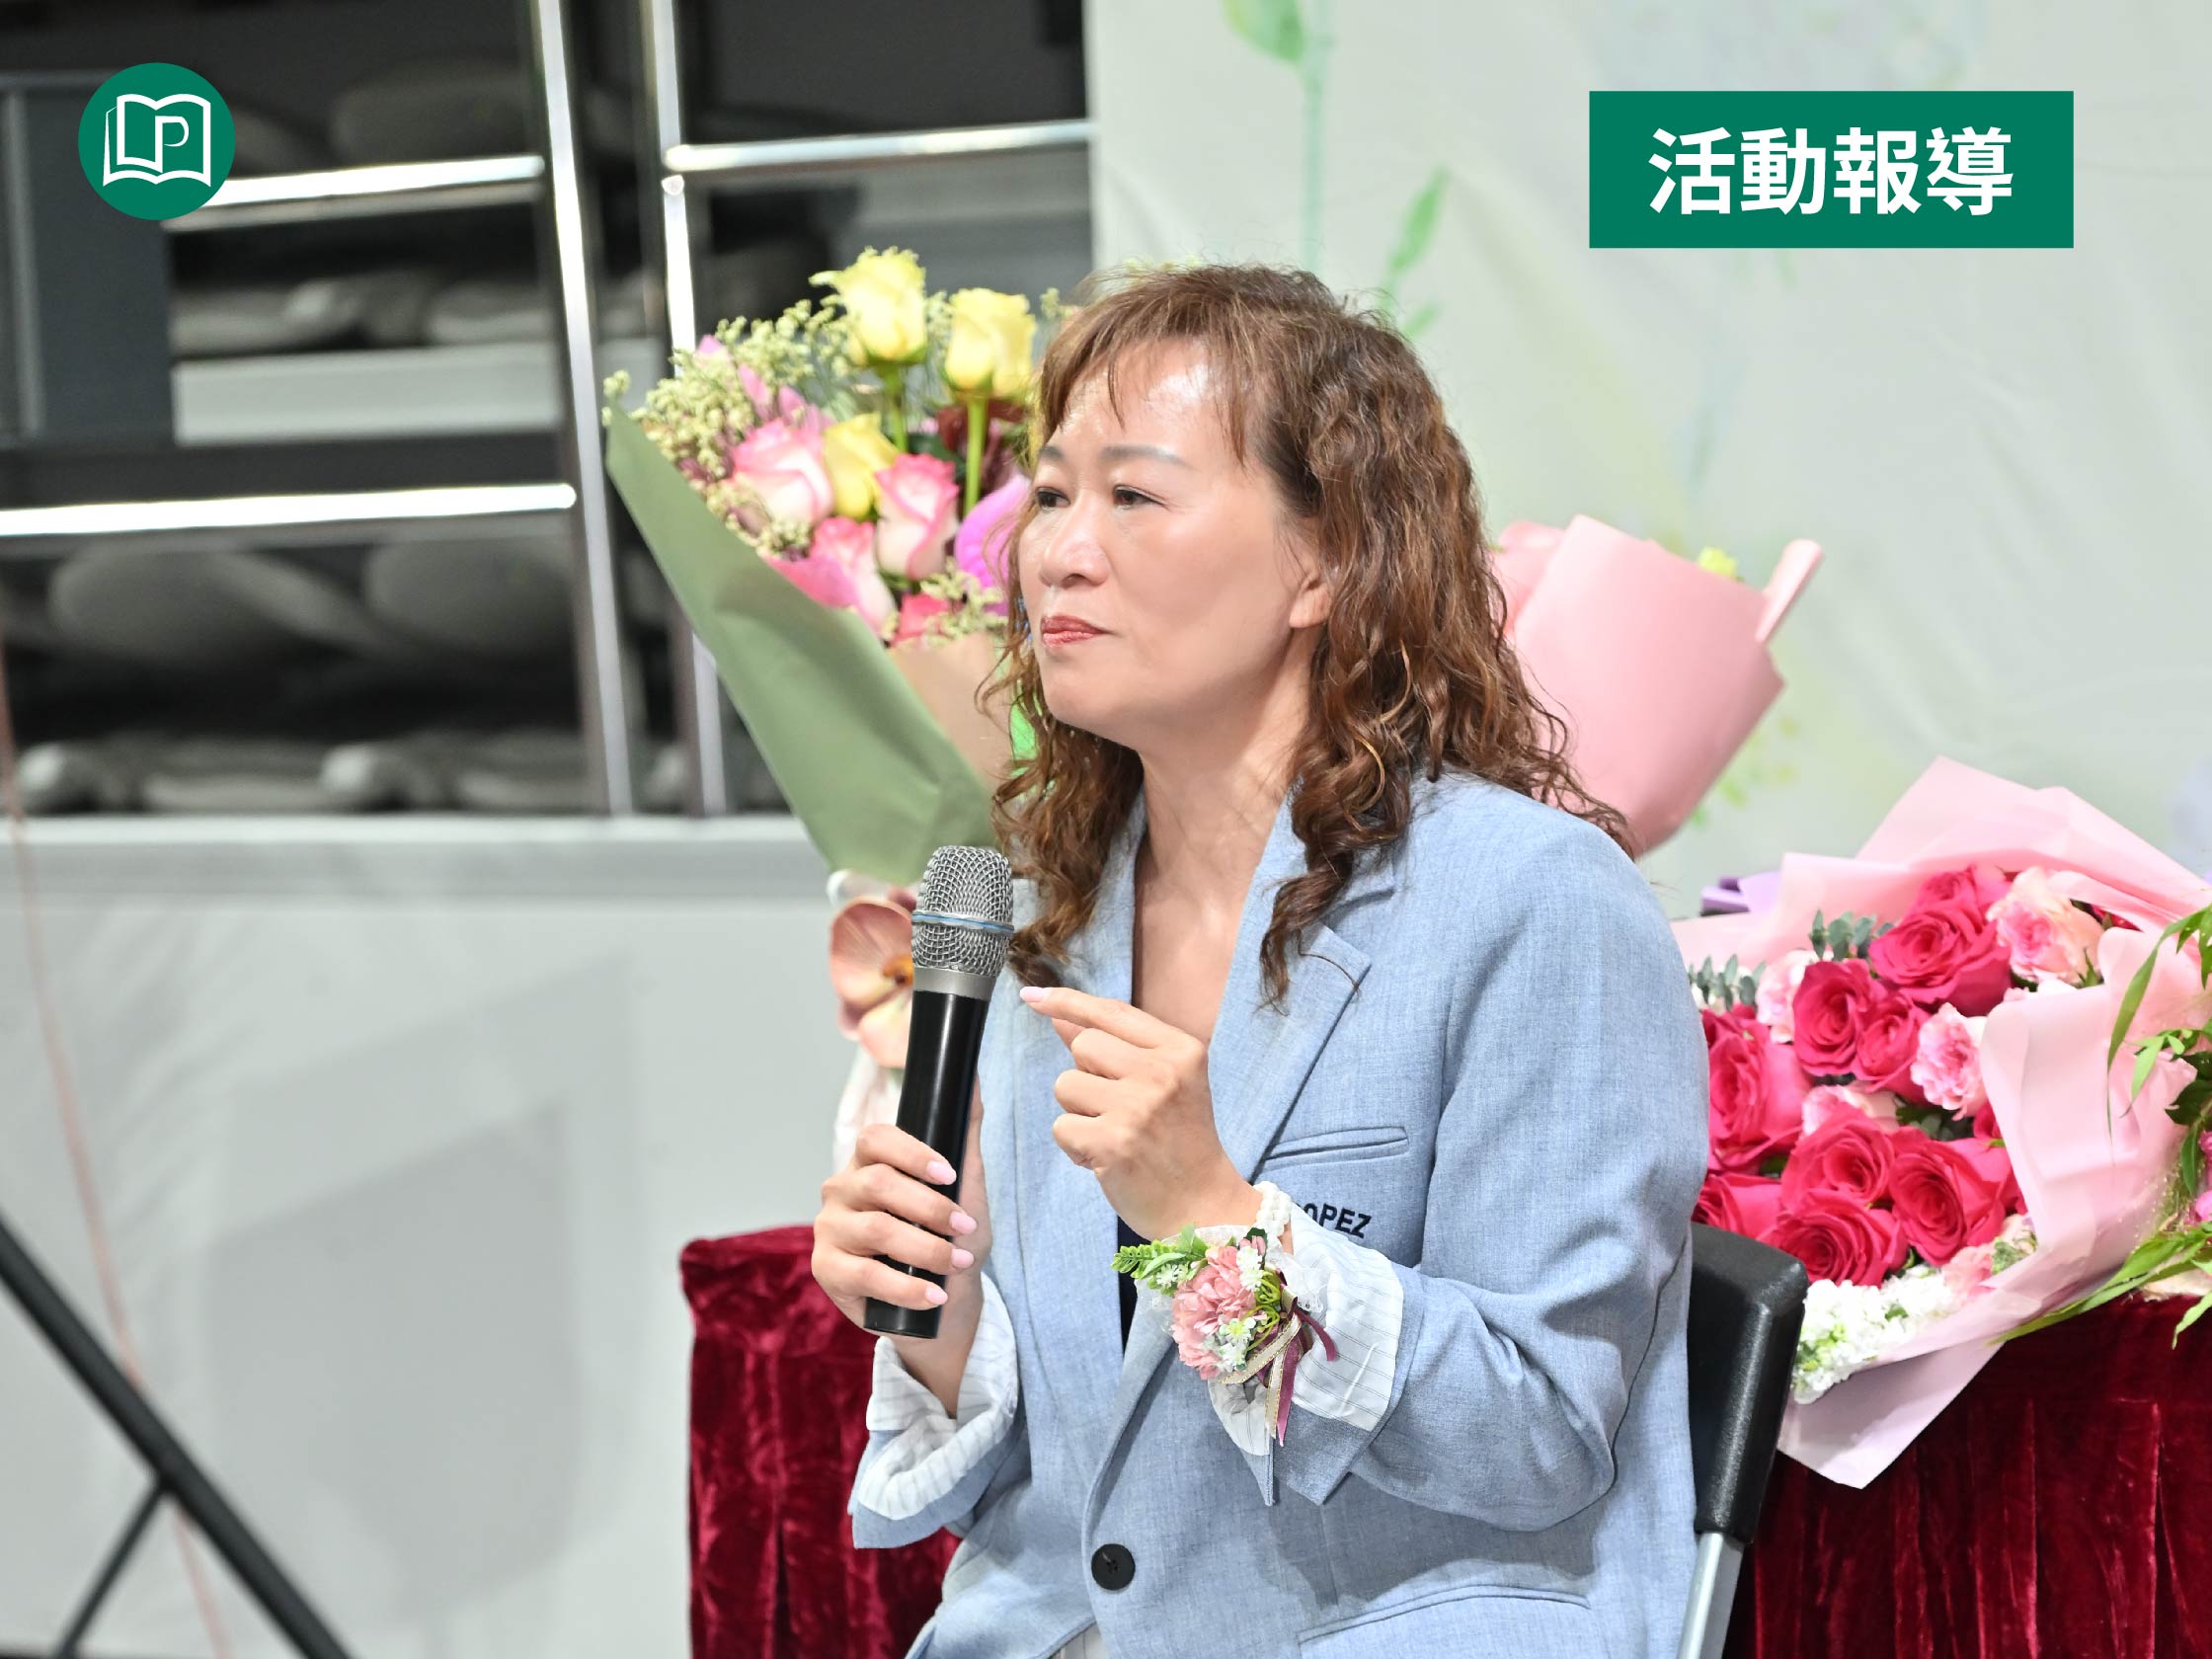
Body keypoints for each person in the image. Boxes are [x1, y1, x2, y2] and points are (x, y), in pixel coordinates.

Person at [810, 262, 1709, 1659]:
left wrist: (1213, 1228)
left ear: (1324, 559)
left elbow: (1540, 1427)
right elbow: (1078, 1504)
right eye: (1050, 495)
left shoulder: (1531, 901)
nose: (1060, 554)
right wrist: (943, 1315)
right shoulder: (1046, 925)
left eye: (1134, 495)